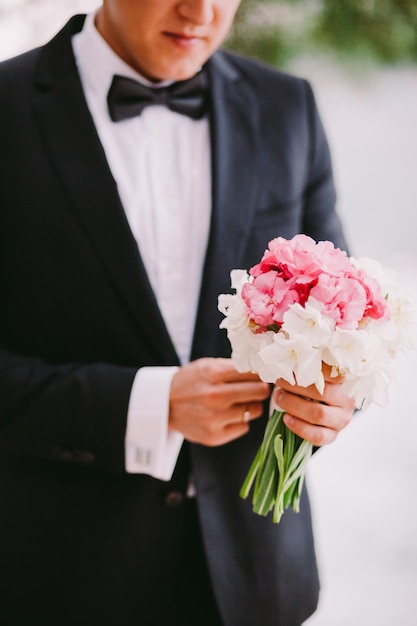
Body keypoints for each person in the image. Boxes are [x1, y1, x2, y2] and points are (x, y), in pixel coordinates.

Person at [0, 1, 355, 625]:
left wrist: (329, 398)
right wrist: (150, 405)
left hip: (258, 579)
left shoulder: (286, 108)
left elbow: (342, 322)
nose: (201, 10)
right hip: (57, 577)